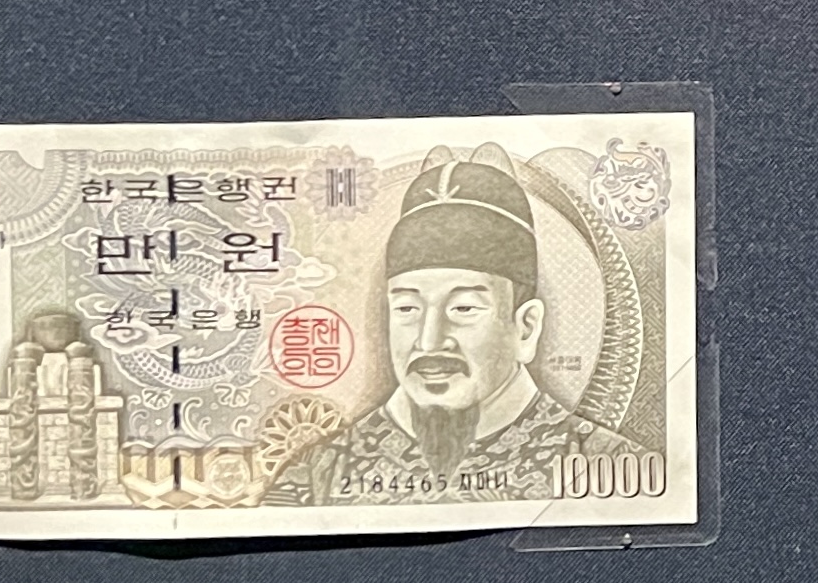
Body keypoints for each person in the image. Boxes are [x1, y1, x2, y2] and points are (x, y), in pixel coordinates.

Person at [268, 143, 653, 507]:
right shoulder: (313, 479)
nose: (429, 341)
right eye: (407, 308)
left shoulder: (611, 467)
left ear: (526, 328)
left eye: (463, 308)